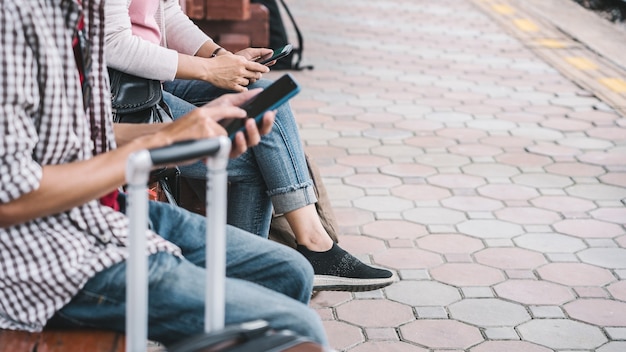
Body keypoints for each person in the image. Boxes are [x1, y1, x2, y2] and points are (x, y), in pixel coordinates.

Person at [0, 0, 328, 348]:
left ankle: (314, 241)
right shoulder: (19, 16)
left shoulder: (76, 11)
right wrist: (164, 135)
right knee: (297, 324)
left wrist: (186, 130)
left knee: (290, 272)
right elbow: (13, 196)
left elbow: (74, 136)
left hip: (98, 214)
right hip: (45, 256)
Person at [104, 0, 395, 291]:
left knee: (264, 98)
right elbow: (112, 42)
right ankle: (263, 270)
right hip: (119, 100)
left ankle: (311, 244)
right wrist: (208, 69)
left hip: (152, 82)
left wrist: (224, 59)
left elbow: (165, 12)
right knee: (255, 151)